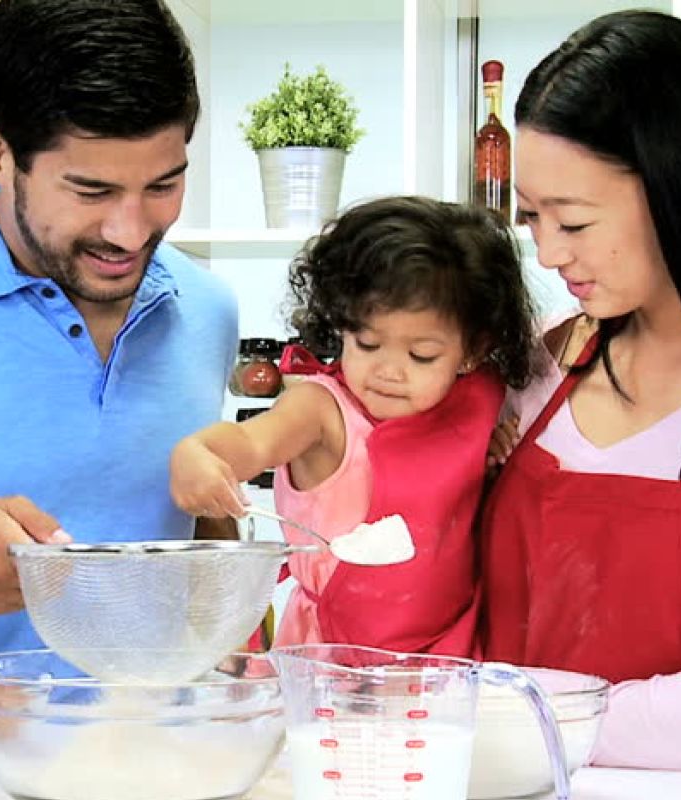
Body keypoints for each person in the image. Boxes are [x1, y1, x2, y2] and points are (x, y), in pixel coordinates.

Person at [0, 0, 238, 672]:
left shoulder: (209, 309)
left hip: (151, 755)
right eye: (91, 190)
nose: (130, 233)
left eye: (164, 184)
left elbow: (197, 527)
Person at [480, 10, 681, 771]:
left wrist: (540, 722)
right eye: (531, 218)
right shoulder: (537, 367)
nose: (548, 252)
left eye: (575, 222)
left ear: (678, 188)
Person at [171, 196, 538, 654]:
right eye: (367, 344)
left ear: (472, 351)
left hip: (449, 647)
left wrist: (499, 455)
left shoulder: (479, 398)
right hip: (333, 657)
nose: (388, 370)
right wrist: (199, 454)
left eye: (421, 355)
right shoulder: (320, 410)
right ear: (341, 323)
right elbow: (249, 442)